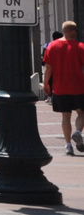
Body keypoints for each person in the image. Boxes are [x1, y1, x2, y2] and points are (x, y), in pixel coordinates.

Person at [41, 20, 84, 156]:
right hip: (78, 86)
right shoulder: (80, 47)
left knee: (65, 115)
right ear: (72, 31)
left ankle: (68, 145)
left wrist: (46, 83)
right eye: (75, 30)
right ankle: (77, 132)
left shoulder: (52, 47)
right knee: (81, 112)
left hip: (59, 87)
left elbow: (48, 67)